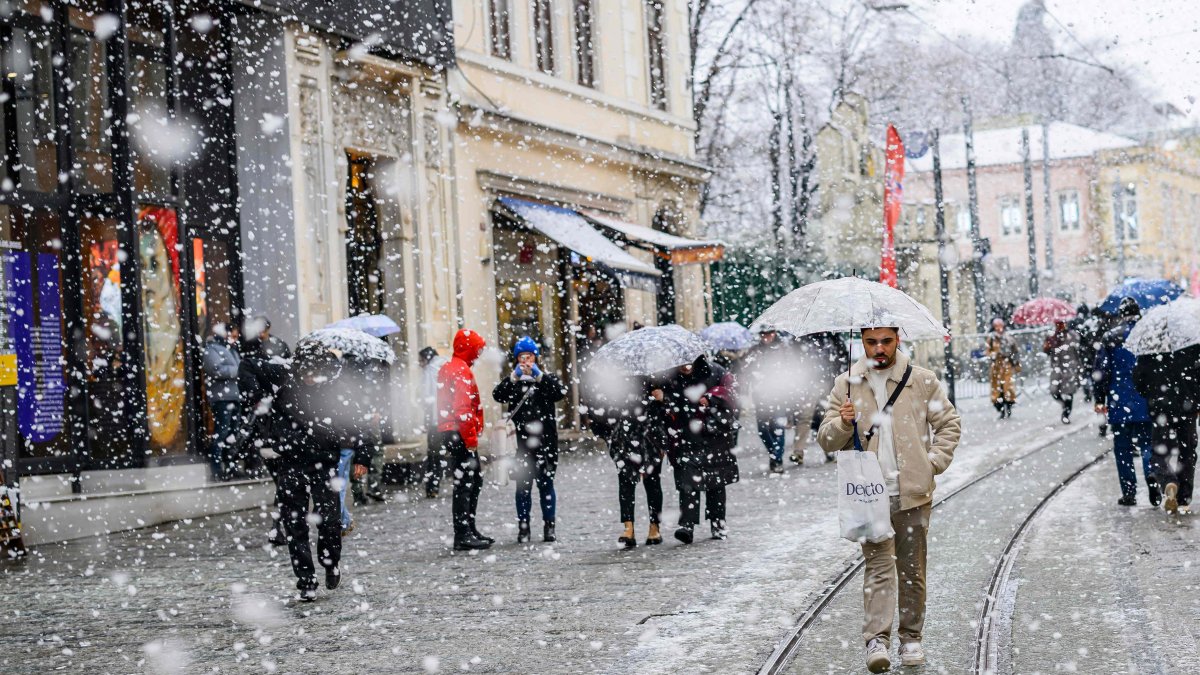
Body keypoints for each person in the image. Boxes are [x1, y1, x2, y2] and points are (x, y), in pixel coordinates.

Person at [818, 326, 961, 672]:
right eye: (871, 342)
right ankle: (876, 640)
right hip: (868, 494)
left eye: (885, 341)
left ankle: (911, 638)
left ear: (897, 339)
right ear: (862, 342)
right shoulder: (847, 383)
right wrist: (841, 422)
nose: (878, 348)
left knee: (912, 570)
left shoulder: (921, 380)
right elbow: (826, 439)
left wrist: (931, 463)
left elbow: (949, 424)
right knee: (879, 567)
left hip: (912, 492)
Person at [271, 343, 369, 601]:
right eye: (306, 372)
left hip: (324, 463)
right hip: (292, 464)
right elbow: (275, 432)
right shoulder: (286, 392)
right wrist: (303, 440)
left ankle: (330, 562)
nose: (310, 377)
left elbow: (355, 424)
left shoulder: (334, 392)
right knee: (295, 524)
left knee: (330, 520)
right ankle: (306, 579)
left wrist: (361, 454)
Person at [493, 337, 567, 543]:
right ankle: (523, 528)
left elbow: (559, 392)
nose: (526, 361)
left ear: (536, 357)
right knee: (522, 488)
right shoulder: (514, 383)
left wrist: (539, 376)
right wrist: (513, 378)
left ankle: (549, 526)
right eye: (522, 357)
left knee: (546, 485)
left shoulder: (546, 379)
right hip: (520, 445)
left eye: (529, 356)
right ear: (516, 359)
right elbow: (497, 395)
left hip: (545, 443)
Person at [660, 355, 740, 543]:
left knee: (716, 480)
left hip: (714, 434)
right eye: (680, 365)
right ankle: (687, 525)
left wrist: (712, 398)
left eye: (687, 363)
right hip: (685, 435)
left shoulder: (716, 372)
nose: (685, 367)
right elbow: (671, 407)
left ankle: (718, 521)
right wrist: (665, 400)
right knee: (687, 481)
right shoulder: (669, 379)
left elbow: (734, 393)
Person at [1095, 297, 1158, 507]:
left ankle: (1129, 492)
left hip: (1119, 400)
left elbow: (1101, 372)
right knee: (1148, 443)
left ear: (1121, 314)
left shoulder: (1110, 337)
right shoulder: (1149, 334)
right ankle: (1152, 474)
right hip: (1144, 399)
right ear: (1138, 313)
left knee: (1122, 449)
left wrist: (1099, 398)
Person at [591, 377, 666, 548]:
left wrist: (663, 399)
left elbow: (667, 410)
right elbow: (596, 408)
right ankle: (628, 527)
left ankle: (654, 527)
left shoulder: (655, 377)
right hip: (623, 439)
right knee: (625, 482)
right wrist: (608, 435)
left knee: (652, 482)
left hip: (650, 438)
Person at [437, 329, 492, 551]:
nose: (478, 354)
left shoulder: (450, 368)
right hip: (458, 430)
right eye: (477, 349)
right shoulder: (460, 371)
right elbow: (463, 409)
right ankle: (464, 532)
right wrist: (470, 437)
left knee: (470, 480)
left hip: (450, 429)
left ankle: (468, 528)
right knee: (467, 482)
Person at [1133, 344, 1200, 514]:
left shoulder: (1149, 348)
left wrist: (1153, 394)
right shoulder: (1192, 346)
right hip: (1188, 407)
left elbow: (1139, 380)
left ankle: (1169, 482)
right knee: (1188, 451)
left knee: (1159, 453)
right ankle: (1184, 499)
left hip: (1161, 408)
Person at [743, 326, 790, 473]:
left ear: (774, 333)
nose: (766, 336)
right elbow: (746, 370)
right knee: (763, 429)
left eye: (769, 333)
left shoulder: (783, 349)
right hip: (761, 394)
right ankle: (774, 455)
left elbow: (791, 370)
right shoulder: (755, 350)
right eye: (763, 334)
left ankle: (777, 458)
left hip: (779, 393)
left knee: (778, 426)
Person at [202, 323, 241, 481]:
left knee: (233, 434)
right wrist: (237, 370)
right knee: (221, 433)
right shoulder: (212, 349)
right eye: (231, 334)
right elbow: (215, 369)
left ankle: (231, 466)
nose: (233, 338)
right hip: (222, 398)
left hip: (234, 396)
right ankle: (216, 469)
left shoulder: (231, 350)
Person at [419, 347, 449, 498]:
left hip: (436, 420)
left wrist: (426, 420)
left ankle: (432, 487)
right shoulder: (446, 365)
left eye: (420, 361)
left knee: (434, 455)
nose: (419, 364)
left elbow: (427, 397)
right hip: (450, 419)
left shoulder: (430, 371)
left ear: (427, 359)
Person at [1042, 320, 1082, 424]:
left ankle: (1066, 414)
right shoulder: (1052, 337)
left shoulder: (1072, 336)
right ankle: (1064, 404)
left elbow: (1078, 351)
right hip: (1057, 367)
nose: (1060, 326)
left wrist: (1079, 367)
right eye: (1057, 324)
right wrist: (1047, 346)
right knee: (1054, 390)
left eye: (1061, 324)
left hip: (1070, 368)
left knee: (1069, 392)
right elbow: (1046, 351)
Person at [985, 318, 1019, 419]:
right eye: (997, 326)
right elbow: (988, 352)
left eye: (1000, 326)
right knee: (996, 389)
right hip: (996, 366)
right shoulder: (991, 338)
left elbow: (1015, 351)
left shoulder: (1009, 338)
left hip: (1006, 365)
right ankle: (1000, 408)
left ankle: (1008, 406)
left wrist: (1015, 363)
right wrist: (994, 354)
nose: (999, 328)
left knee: (1007, 387)